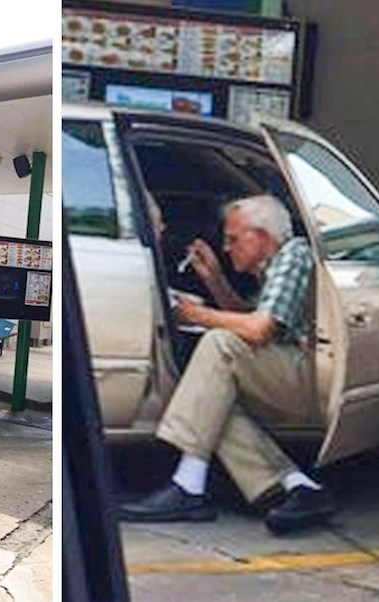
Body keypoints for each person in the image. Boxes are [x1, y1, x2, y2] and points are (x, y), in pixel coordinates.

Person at [120, 194, 335, 534]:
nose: (226, 246)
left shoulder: (293, 256)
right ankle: (298, 486)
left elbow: (260, 330)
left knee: (219, 344)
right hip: (284, 371)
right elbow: (248, 317)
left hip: (309, 375)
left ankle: (188, 484)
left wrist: (196, 314)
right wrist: (215, 279)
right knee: (212, 401)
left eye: (233, 239)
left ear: (262, 236)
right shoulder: (273, 266)